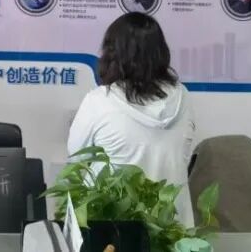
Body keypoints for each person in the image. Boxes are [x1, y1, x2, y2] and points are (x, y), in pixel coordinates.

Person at [67, 12, 196, 227]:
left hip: (113, 230)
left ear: (112, 53)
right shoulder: (183, 97)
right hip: (172, 229)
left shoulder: (99, 100)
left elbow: (77, 160)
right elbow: (183, 156)